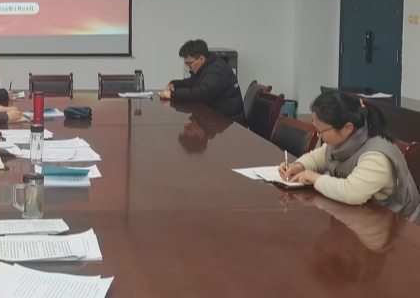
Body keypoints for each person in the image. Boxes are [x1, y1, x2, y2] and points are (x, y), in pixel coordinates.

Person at [279, 91, 420, 221]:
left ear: (347, 128)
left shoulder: (377, 156)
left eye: (321, 131)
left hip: (398, 227)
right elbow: (316, 158)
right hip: (363, 216)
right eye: (316, 128)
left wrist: (316, 178)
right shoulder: (341, 142)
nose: (318, 135)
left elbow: (352, 192)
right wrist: (298, 166)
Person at [159, 39, 245, 123]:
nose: (188, 67)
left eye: (189, 63)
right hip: (217, 117)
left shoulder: (216, 69)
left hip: (230, 123)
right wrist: (174, 84)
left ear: (201, 59)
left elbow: (202, 93)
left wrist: (172, 94)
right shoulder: (207, 66)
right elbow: (191, 82)